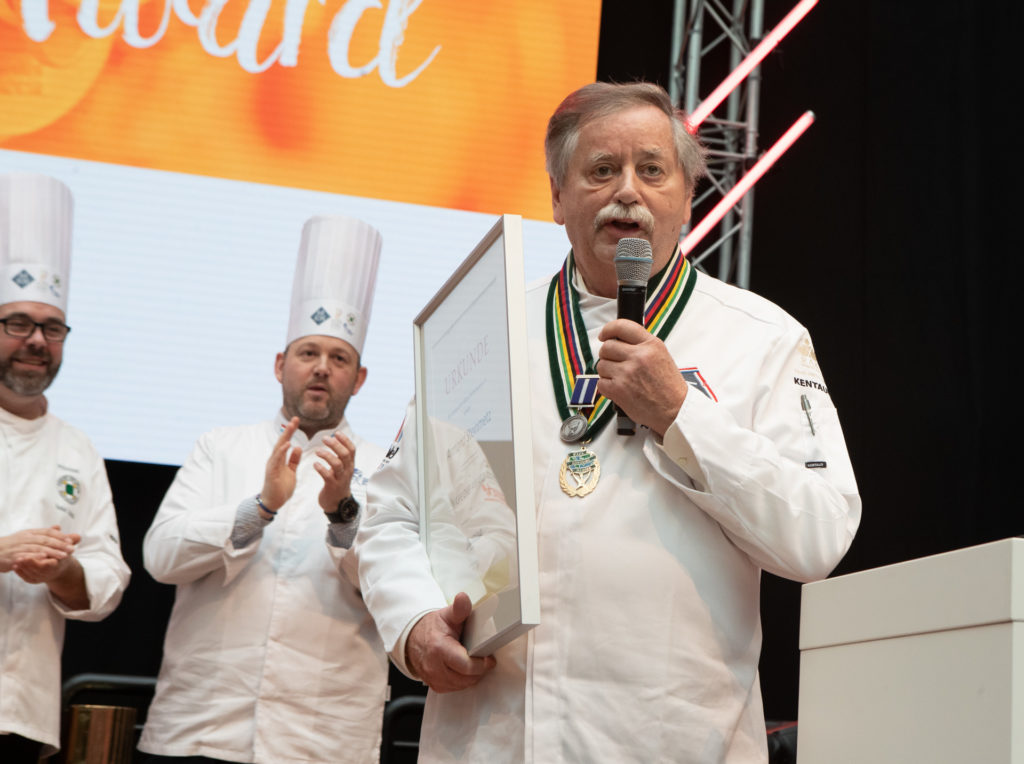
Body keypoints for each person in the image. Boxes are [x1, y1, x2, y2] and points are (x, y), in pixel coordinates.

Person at [355, 81, 861, 762]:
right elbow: (390, 513)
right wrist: (413, 624)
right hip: (490, 737)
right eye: (601, 170)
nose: (628, 191)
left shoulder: (763, 338)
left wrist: (682, 417)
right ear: (558, 196)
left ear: (686, 196)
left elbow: (819, 534)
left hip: (675, 742)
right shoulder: (480, 331)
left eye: (651, 170)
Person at [138, 215, 389, 764]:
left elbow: (395, 592)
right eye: (307, 354)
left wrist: (342, 512)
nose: (321, 369)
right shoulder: (220, 446)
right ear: (280, 365)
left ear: (360, 378)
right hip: (199, 730)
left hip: (323, 742)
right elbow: (160, 558)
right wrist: (260, 508)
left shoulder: (388, 467)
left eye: (339, 358)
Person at [0, 173, 131, 762]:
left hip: (22, 714)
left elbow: (105, 578)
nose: (36, 341)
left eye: (52, 329)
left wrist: (61, 571)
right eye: (18, 323)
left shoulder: (78, 449)